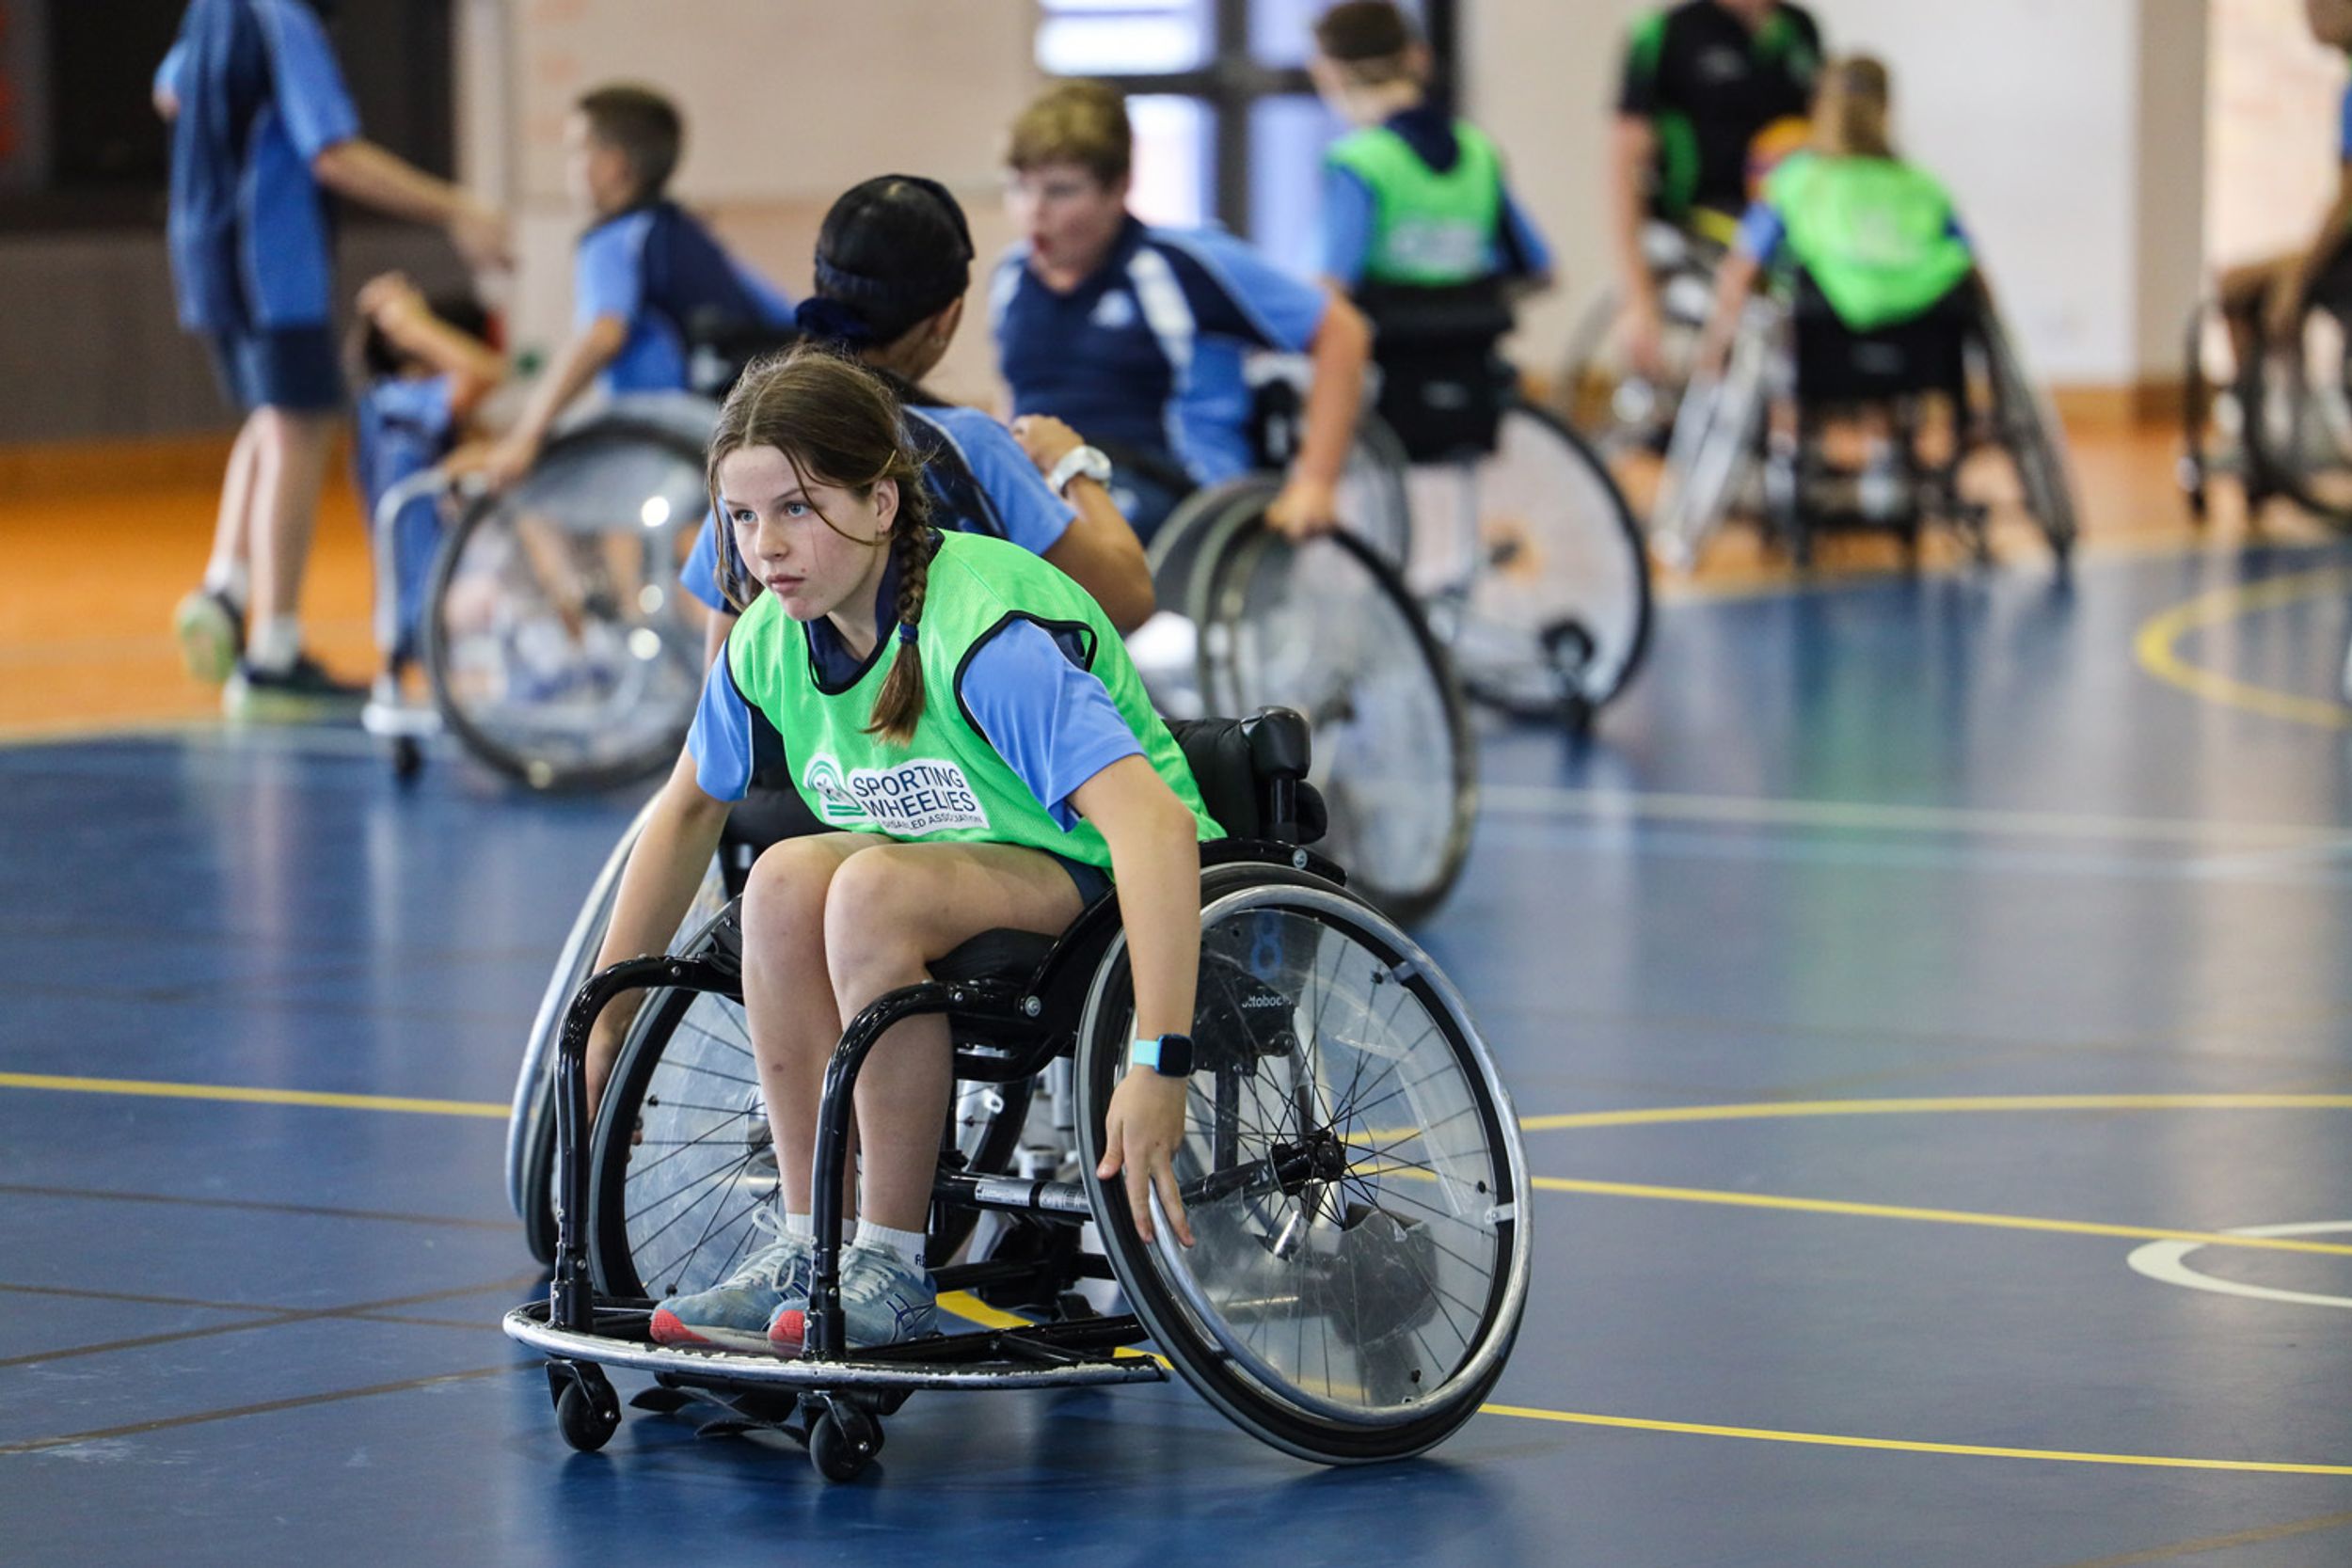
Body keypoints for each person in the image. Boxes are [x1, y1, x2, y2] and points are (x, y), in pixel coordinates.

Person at [582, 349, 1217, 1354]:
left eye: (795, 508)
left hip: (1110, 876)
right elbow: (686, 812)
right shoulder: (769, 641)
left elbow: (1156, 827)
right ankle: (811, 1243)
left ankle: (889, 1262)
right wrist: (609, 1015)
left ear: (880, 504)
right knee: (780, 881)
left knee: (869, 889)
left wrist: (1159, 1063)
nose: (763, 547)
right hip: (961, 868)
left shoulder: (984, 631)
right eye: (741, 518)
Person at [156, 0, 508, 717]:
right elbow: (332, 151)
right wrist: (457, 207)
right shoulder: (285, 16)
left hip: (204, 245)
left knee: (274, 414)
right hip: (269, 257)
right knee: (300, 426)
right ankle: (274, 653)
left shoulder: (213, 12)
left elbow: (171, 93)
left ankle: (227, 587)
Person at [676, 175, 1155, 666]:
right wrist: (1072, 463)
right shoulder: (969, 445)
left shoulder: (757, 442)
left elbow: (723, 674)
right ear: (946, 318)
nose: (770, 544)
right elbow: (1129, 598)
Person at [994, 80, 1372, 543]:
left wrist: (1315, 482)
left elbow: (1341, 330)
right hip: (1052, 495)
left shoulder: (1182, 264)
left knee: (1079, 535)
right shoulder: (1010, 277)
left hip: (1174, 497)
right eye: (1019, 187)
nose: (1034, 211)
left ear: (1119, 188)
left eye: (1061, 190)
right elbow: (1018, 402)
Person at [480, 83, 795, 490]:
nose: (570, 167)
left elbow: (602, 336)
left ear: (612, 164)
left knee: (532, 487)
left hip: (669, 432)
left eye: (578, 150)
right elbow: (783, 318)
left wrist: (526, 434)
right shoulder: (689, 234)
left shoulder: (613, 239)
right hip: (732, 425)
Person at [1693, 55, 1977, 374]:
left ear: (1819, 107)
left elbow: (1740, 270)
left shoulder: (1795, 181)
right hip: (1923, 358)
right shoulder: (1924, 186)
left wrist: (1712, 358)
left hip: (1823, 361)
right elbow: (1970, 266)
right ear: (1887, 109)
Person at [1610, 0, 1823, 381]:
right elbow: (1623, 167)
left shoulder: (1800, 29)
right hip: (1701, 223)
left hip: (1789, 219)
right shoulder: (1667, 34)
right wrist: (1638, 298)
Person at [1311, 1, 1552, 299]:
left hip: (1381, 329)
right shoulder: (1478, 150)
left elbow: (1331, 287)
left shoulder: (1356, 162)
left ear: (1328, 74)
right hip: (1477, 328)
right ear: (1419, 58)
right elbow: (1539, 270)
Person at [347, 274, 504, 670]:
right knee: (522, 592)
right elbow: (486, 375)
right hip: (423, 607)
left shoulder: (402, 408)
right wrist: (414, 327)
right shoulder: (397, 403)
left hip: (443, 594)